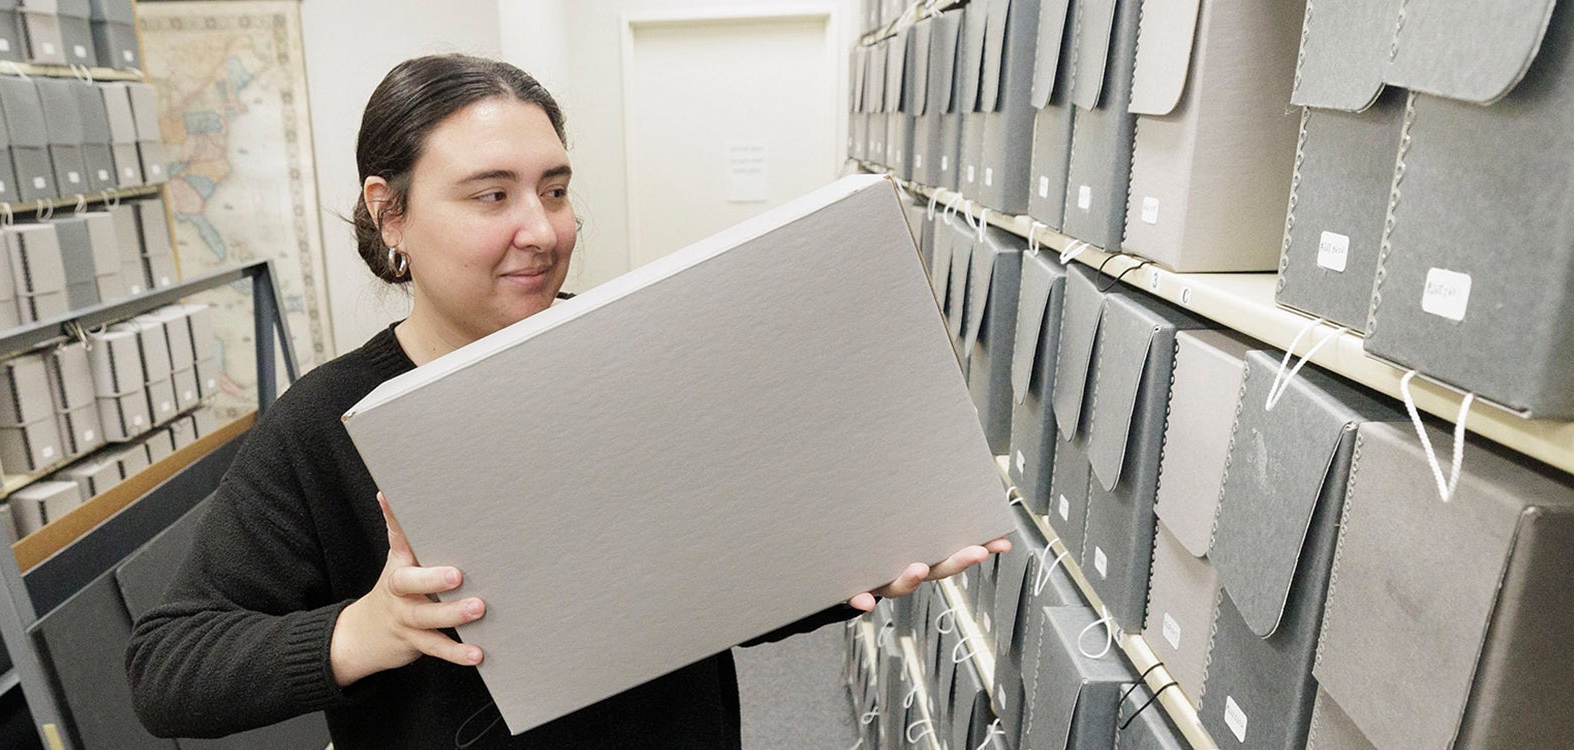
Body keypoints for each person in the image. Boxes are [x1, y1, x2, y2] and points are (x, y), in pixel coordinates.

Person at [126, 53, 1007, 749]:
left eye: (554, 189)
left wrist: (848, 561)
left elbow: (713, 571)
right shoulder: (326, 423)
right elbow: (166, 667)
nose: (542, 231)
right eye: (490, 195)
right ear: (387, 212)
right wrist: (365, 629)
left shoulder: (633, 353)